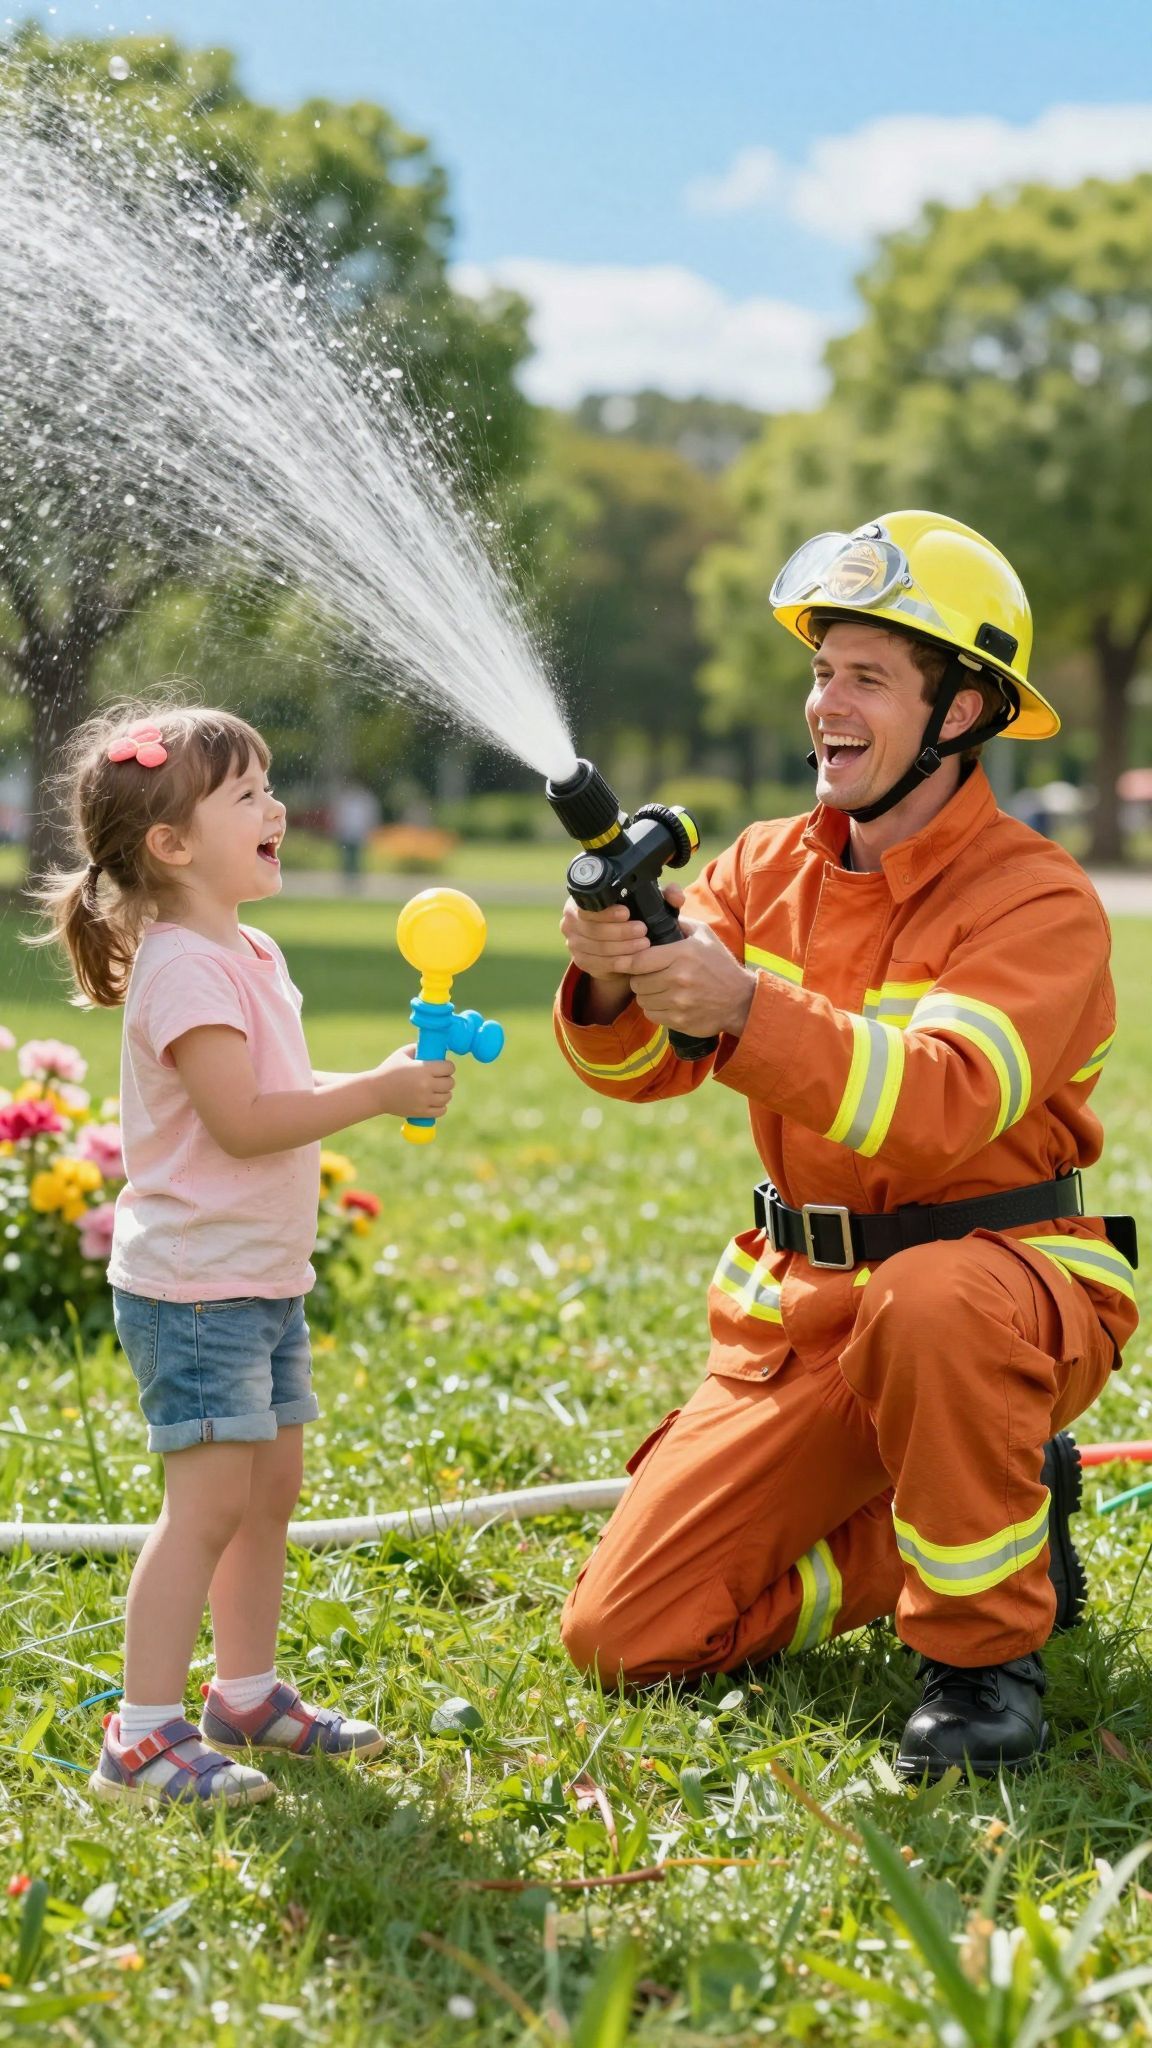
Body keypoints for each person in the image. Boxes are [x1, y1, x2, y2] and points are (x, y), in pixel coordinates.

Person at [554, 512, 1139, 1779]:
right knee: (623, 1633)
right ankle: (990, 1510)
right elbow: (641, 1066)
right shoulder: (761, 866)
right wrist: (612, 975)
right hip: (806, 1318)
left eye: (868, 675)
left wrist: (746, 1009)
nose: (827, 700)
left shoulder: (1036, 897)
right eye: (822, 672)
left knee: (932, 1299)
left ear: (964, 709)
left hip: (996, 1286)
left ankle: (983, 1666)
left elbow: (937, 1101)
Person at [35, 702, 455, 1807]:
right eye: (249, 795)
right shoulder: (180, 967)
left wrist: (378, 1075)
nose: (276, 807)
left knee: (270, 1490)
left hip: (260, 1279)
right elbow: (241, 1119)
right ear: (172, 846)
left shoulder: (249, 948)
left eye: (269, 785)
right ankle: (140, 1735)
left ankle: (246, 1693)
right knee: (207, 1506)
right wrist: (373, 1094)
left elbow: (274, 1090)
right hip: (196, 1289)